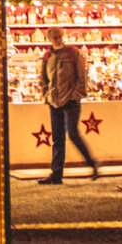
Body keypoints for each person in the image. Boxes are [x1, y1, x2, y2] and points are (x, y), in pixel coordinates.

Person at [39, 26, 98, 184]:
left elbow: (82, 76)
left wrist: (75, 95)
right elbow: (43, 79)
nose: (58, 40)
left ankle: (92, 163)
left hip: (70, 101)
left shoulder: (73, 53)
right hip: (54, 101)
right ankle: (56, 175)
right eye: (55, 37)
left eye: (60, 37)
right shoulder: (47, 57)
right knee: (57, 138)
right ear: (49, 39)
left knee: (72, 133)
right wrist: (47, 94)